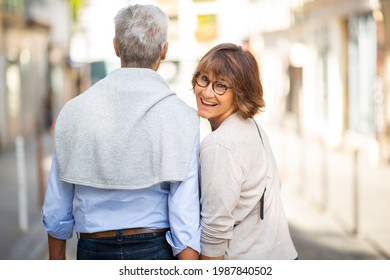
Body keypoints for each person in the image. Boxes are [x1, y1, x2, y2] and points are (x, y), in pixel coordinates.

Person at [42, 4, 200, 260]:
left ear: (116, 47)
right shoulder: (182, 117)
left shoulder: (74, 111)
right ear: (165, 51)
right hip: (155, 247)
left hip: (93, 248)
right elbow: (186, 213)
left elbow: (56, 205)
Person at [192, 43, 298, 260]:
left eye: (221, 85)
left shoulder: (219, 145)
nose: (206, 91)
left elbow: (215, 232)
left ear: (240, 92)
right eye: (203, 79)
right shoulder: (252, 127)